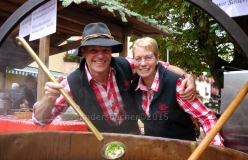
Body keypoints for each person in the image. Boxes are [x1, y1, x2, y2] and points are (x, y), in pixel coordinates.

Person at [32, 22, 196, 134]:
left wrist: (187, 75)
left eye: (105, 50)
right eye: (93, 51)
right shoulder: (72, 83)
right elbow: (40, 121)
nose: (100, 56)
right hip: (101, 140)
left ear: (111, 52)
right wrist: (48, 98)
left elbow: (160, 65)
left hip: (133, 134)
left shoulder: (125, 65)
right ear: (84, 53)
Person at [131, 37, 224, 146]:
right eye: (138, 58)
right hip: (154, 151)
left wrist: (216, 147)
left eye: (148, 58)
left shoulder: (176, 84)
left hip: (182, 152)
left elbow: (206, 117)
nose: (142, 63)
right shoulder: (134, 85)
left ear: (157, 59)